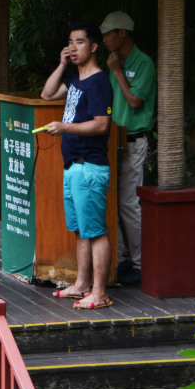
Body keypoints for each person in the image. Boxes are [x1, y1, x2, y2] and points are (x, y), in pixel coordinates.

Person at [41, 22, 113, 310]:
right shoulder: (74, 81)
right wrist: (61, 63)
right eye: (70, 42)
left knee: (94, 230)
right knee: (80, 229)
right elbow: (47, 94)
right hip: (73, 167)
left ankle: (100, 293)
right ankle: (82, 285)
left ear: (94, 47)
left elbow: (101, 124)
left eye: (80, 42)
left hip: (90, 166)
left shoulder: (99, 82)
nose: (73, 48)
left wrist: (65, 126)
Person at [100, 11, 156, 285]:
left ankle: (140, 263)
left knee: (128, 204)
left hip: (134, 141)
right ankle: (123, 258)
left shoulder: (142, 63)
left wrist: (118, 72)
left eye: (109, 34)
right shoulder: (114, 62)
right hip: (113, 142)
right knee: (115, 202)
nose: (105, 40)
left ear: (123, 33)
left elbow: (134, 102)